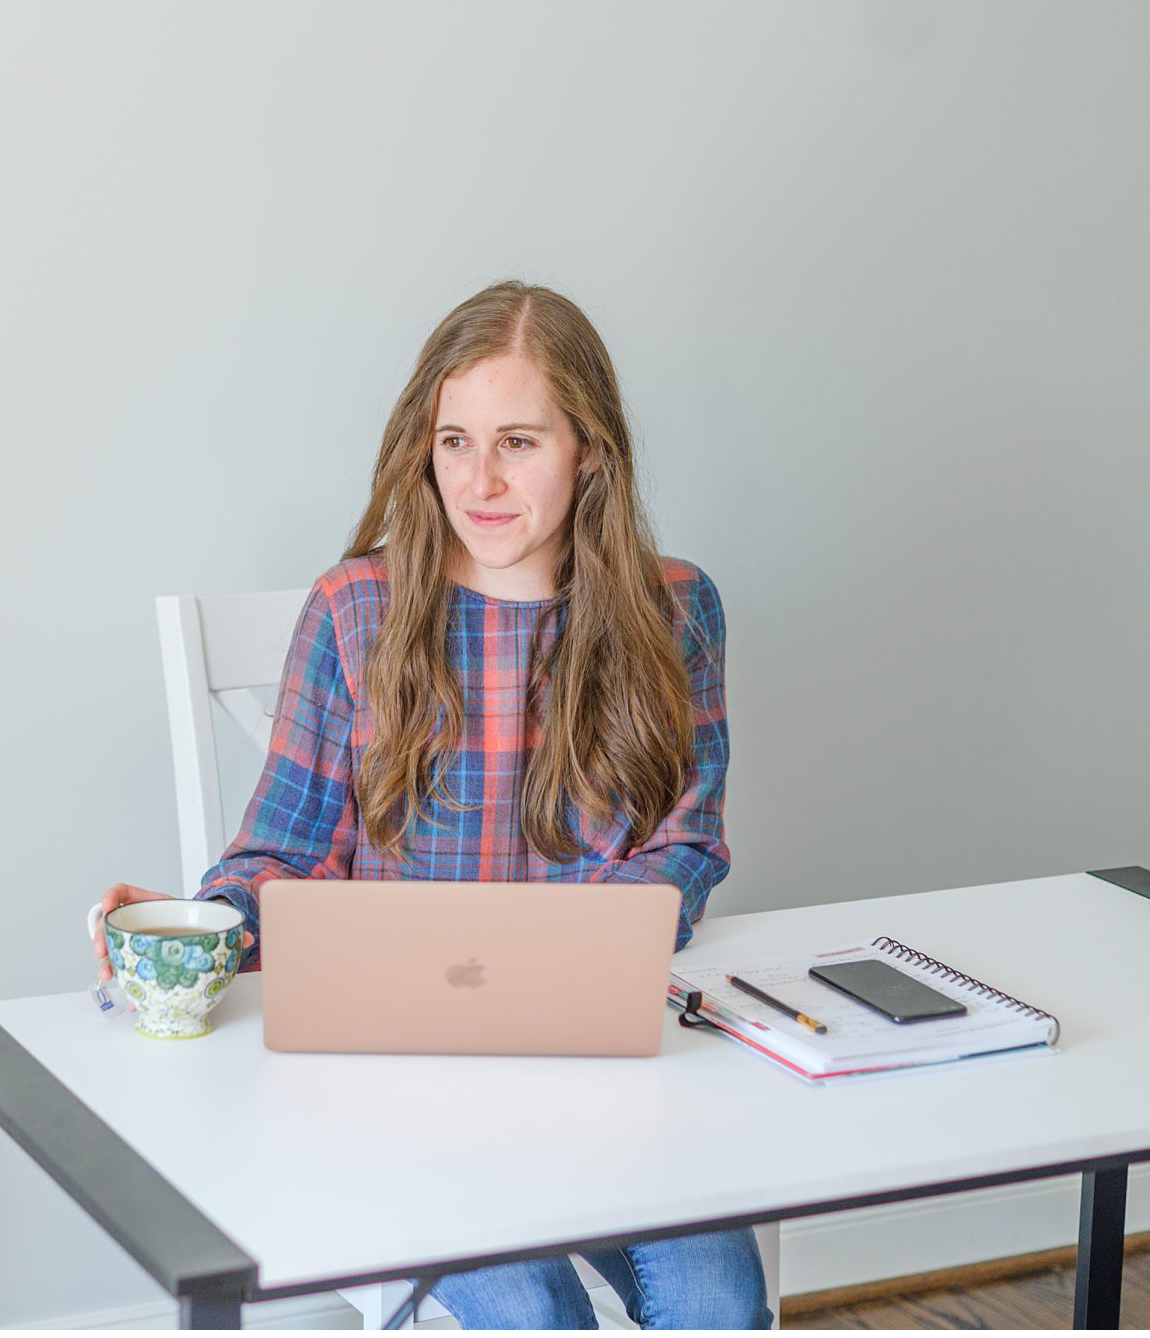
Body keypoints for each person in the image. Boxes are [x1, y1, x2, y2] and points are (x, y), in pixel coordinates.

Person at [91, 279, 769, 1330]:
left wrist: (565, 969)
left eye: (517, 443)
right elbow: (281, 855)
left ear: (590, 451)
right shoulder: (356, 608)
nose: (479, 481)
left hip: (597, 1072)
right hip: (396, 1093)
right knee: (535, 1316)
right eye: (455, 442)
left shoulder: (673, 608)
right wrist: (201, 930)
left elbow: (685, 843)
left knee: (719, 1300)